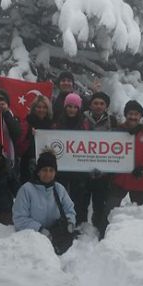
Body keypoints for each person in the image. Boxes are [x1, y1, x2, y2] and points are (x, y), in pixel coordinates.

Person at [13, 151, 77, 255]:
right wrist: (40, 230)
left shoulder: (59, 189)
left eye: (51, 170)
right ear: (38, 171)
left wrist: (70, 222)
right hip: (32, 243)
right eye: (44, 170)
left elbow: (69, 210)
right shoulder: (26, 190)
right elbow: (19, 218)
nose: (48, 174)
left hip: (57, 241)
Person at [108, 100, 143, 211]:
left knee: (141, 213)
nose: (133, 117)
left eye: (136, 114)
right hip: (119, 179)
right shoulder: (116, 131)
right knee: (109, 210)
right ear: (126, 115)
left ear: (140, 116)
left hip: (139, 179)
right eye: (130, 114)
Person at [81, 91, 117, 239]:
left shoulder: (112, 121)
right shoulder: (82, 119)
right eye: (95, 103)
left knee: (100, 204)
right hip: (83, 169)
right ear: (90, 105)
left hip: (103, 172)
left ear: (106, 106)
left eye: (102, 104)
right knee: (81, 202)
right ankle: (81, 228)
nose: (98, 106)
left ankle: (99, 229)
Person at [53, 93, 90, 227]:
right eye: (69, 106)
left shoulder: (85, 124)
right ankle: (61, 221)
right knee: (60, 195)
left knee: (78, 196)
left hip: (79, 166)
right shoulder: (58, 123)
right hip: (61, 166)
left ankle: (79, 222)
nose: (72, 109)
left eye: (75, 107)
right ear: (65, 107)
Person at [17, 94, 54, 184]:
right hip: (28, 162)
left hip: (46, 163)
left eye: (44, 107)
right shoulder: (26, 122)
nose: (41, 110)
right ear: (34, 108)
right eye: (39, 107)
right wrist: (29, 134)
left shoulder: (52, 124)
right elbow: (19, 143)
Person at [0, 89, 22, 160]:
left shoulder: (13, 117)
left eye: (2, 99)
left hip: (6, 155)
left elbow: (16, 133)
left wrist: (6, 113)